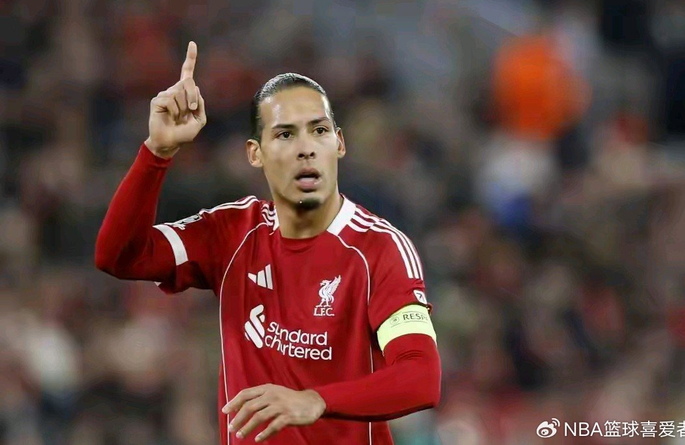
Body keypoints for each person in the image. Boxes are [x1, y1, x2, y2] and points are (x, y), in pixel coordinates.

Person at [95, 42, 441, 445]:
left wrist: (316, 400)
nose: (306, 148)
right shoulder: (232, 233)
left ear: (339, 144)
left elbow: (421, 377)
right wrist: (158, 152)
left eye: (319, 130)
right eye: (285, 134)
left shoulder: (378, 249)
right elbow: (118, 256)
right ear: (255, 154)